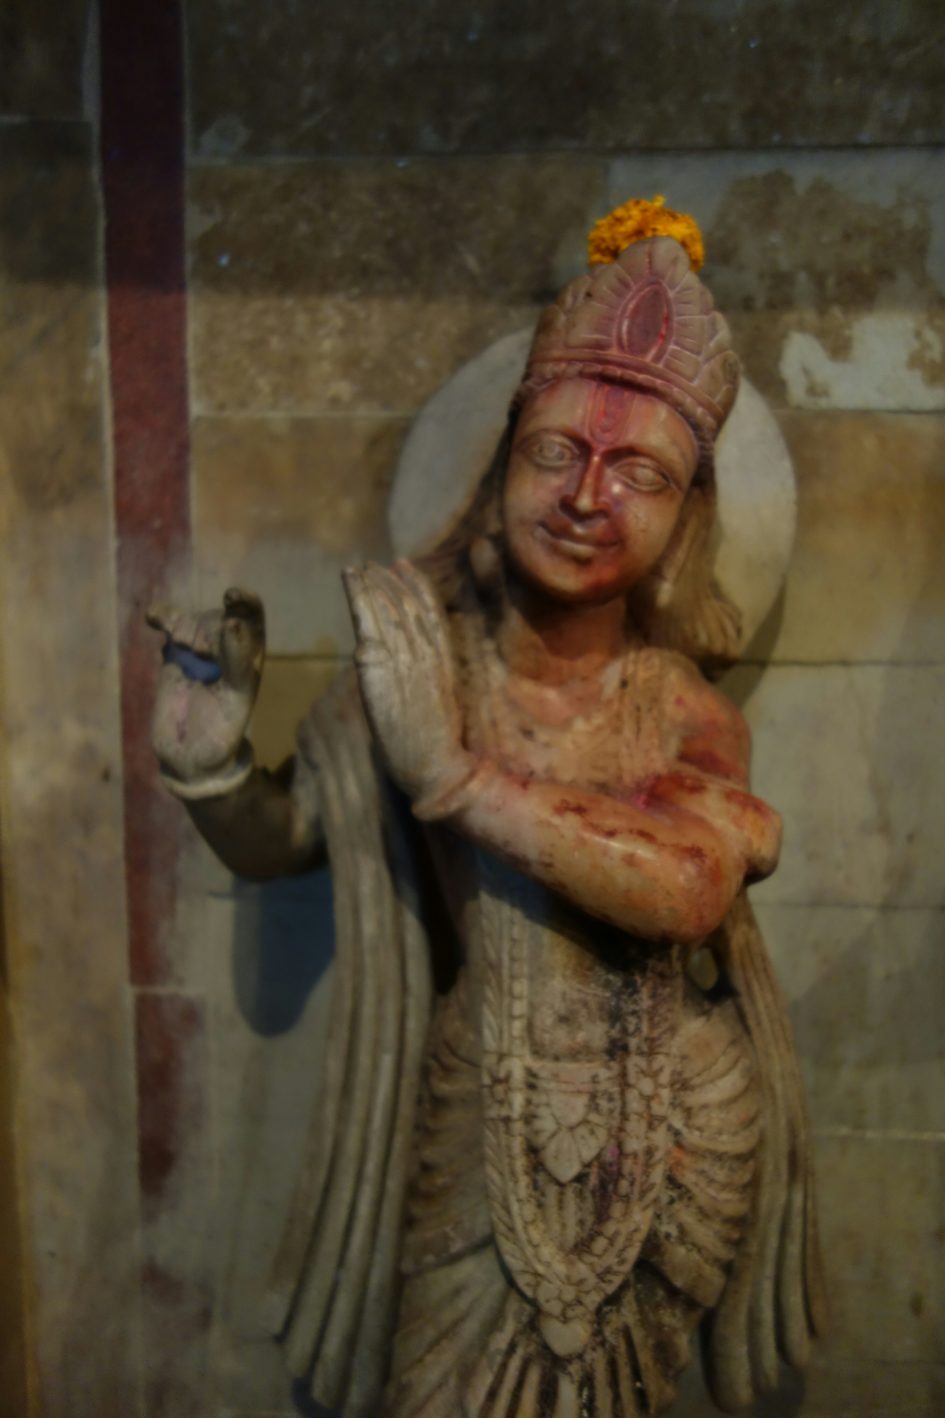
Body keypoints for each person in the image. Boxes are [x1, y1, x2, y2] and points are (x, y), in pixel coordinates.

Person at [150, 211, 824, 1418]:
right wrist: (212, 770)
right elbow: (294, 837)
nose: (587, 496)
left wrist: (456, 780)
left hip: (676, 1116)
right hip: (481, 1100)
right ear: (500, 465)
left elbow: (685, 884)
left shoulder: (679, 707)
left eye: (641, 474)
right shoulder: (425, 672)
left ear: (687, 519)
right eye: (556, 451)